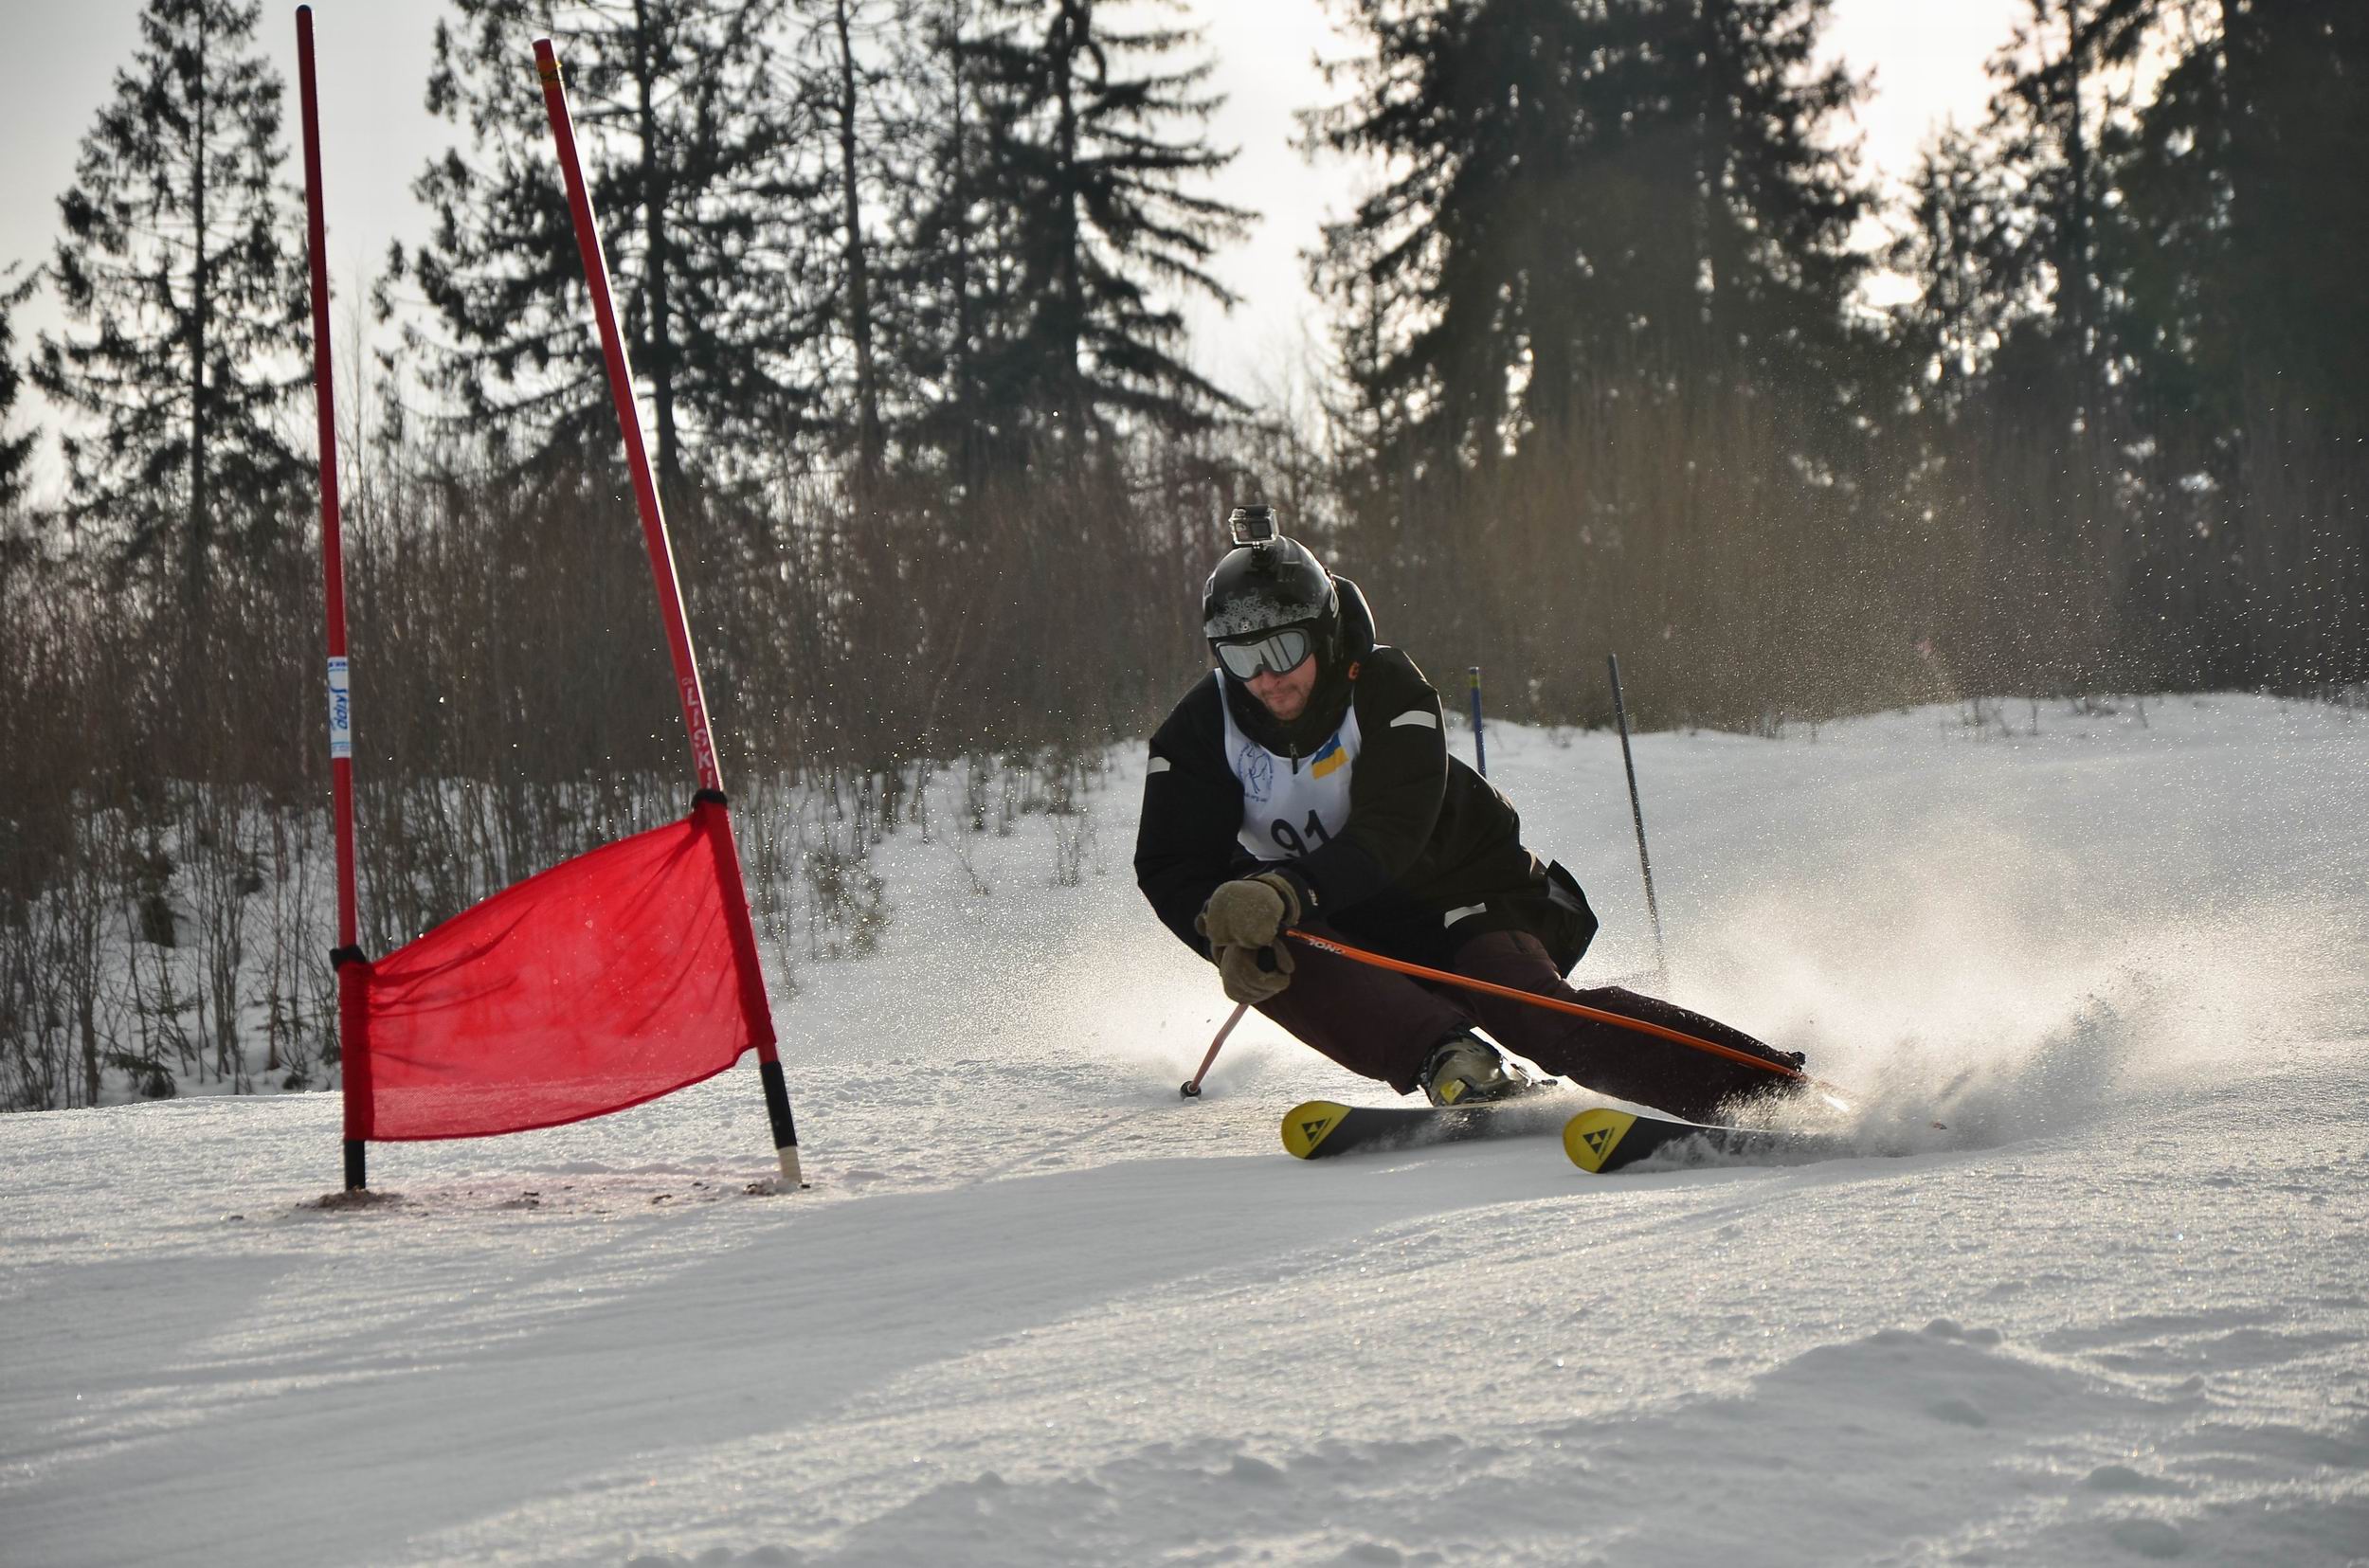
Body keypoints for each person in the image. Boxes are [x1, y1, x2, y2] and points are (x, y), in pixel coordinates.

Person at [1133, 505, 1808, 1122]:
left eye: (1283, 650)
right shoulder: (1202, 729)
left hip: (1468, 892)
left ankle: (1763, 1089)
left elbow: (1392, 829)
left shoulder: (1387, 687)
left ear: (1323, 634)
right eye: (1242, 657)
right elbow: (1171, 864)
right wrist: (1221, 930)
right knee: (1264, 939)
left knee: (1535, 1016)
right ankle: (1452, 1062)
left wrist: (1289, 888)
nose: (1267, 677)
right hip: (1349, 928)